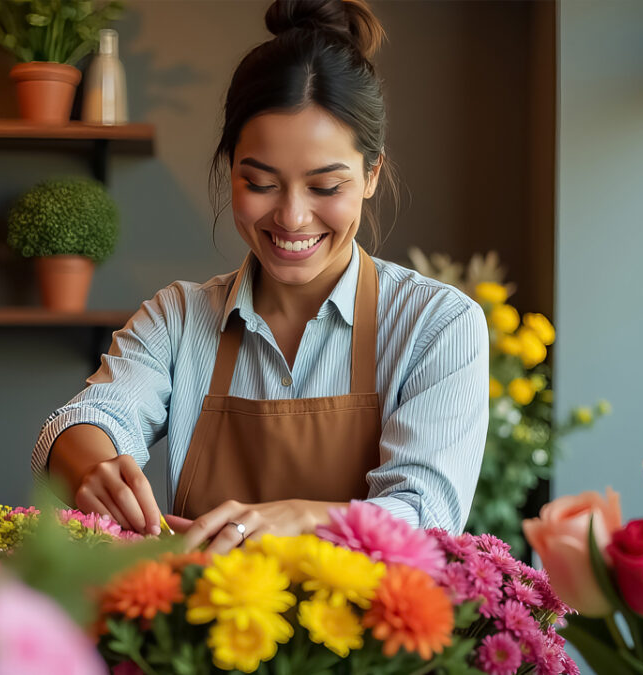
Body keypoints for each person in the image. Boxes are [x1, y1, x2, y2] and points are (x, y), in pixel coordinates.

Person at [31, 0, 488, 554]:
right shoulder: (179, 318)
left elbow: (427, 516)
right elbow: (84, 419)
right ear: (231, 170)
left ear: (372, 174)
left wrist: (301, 517)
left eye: (325, 187)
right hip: (200, 609)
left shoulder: (437, 324)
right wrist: (93, 465)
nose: (292, 217)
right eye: (262, 183)